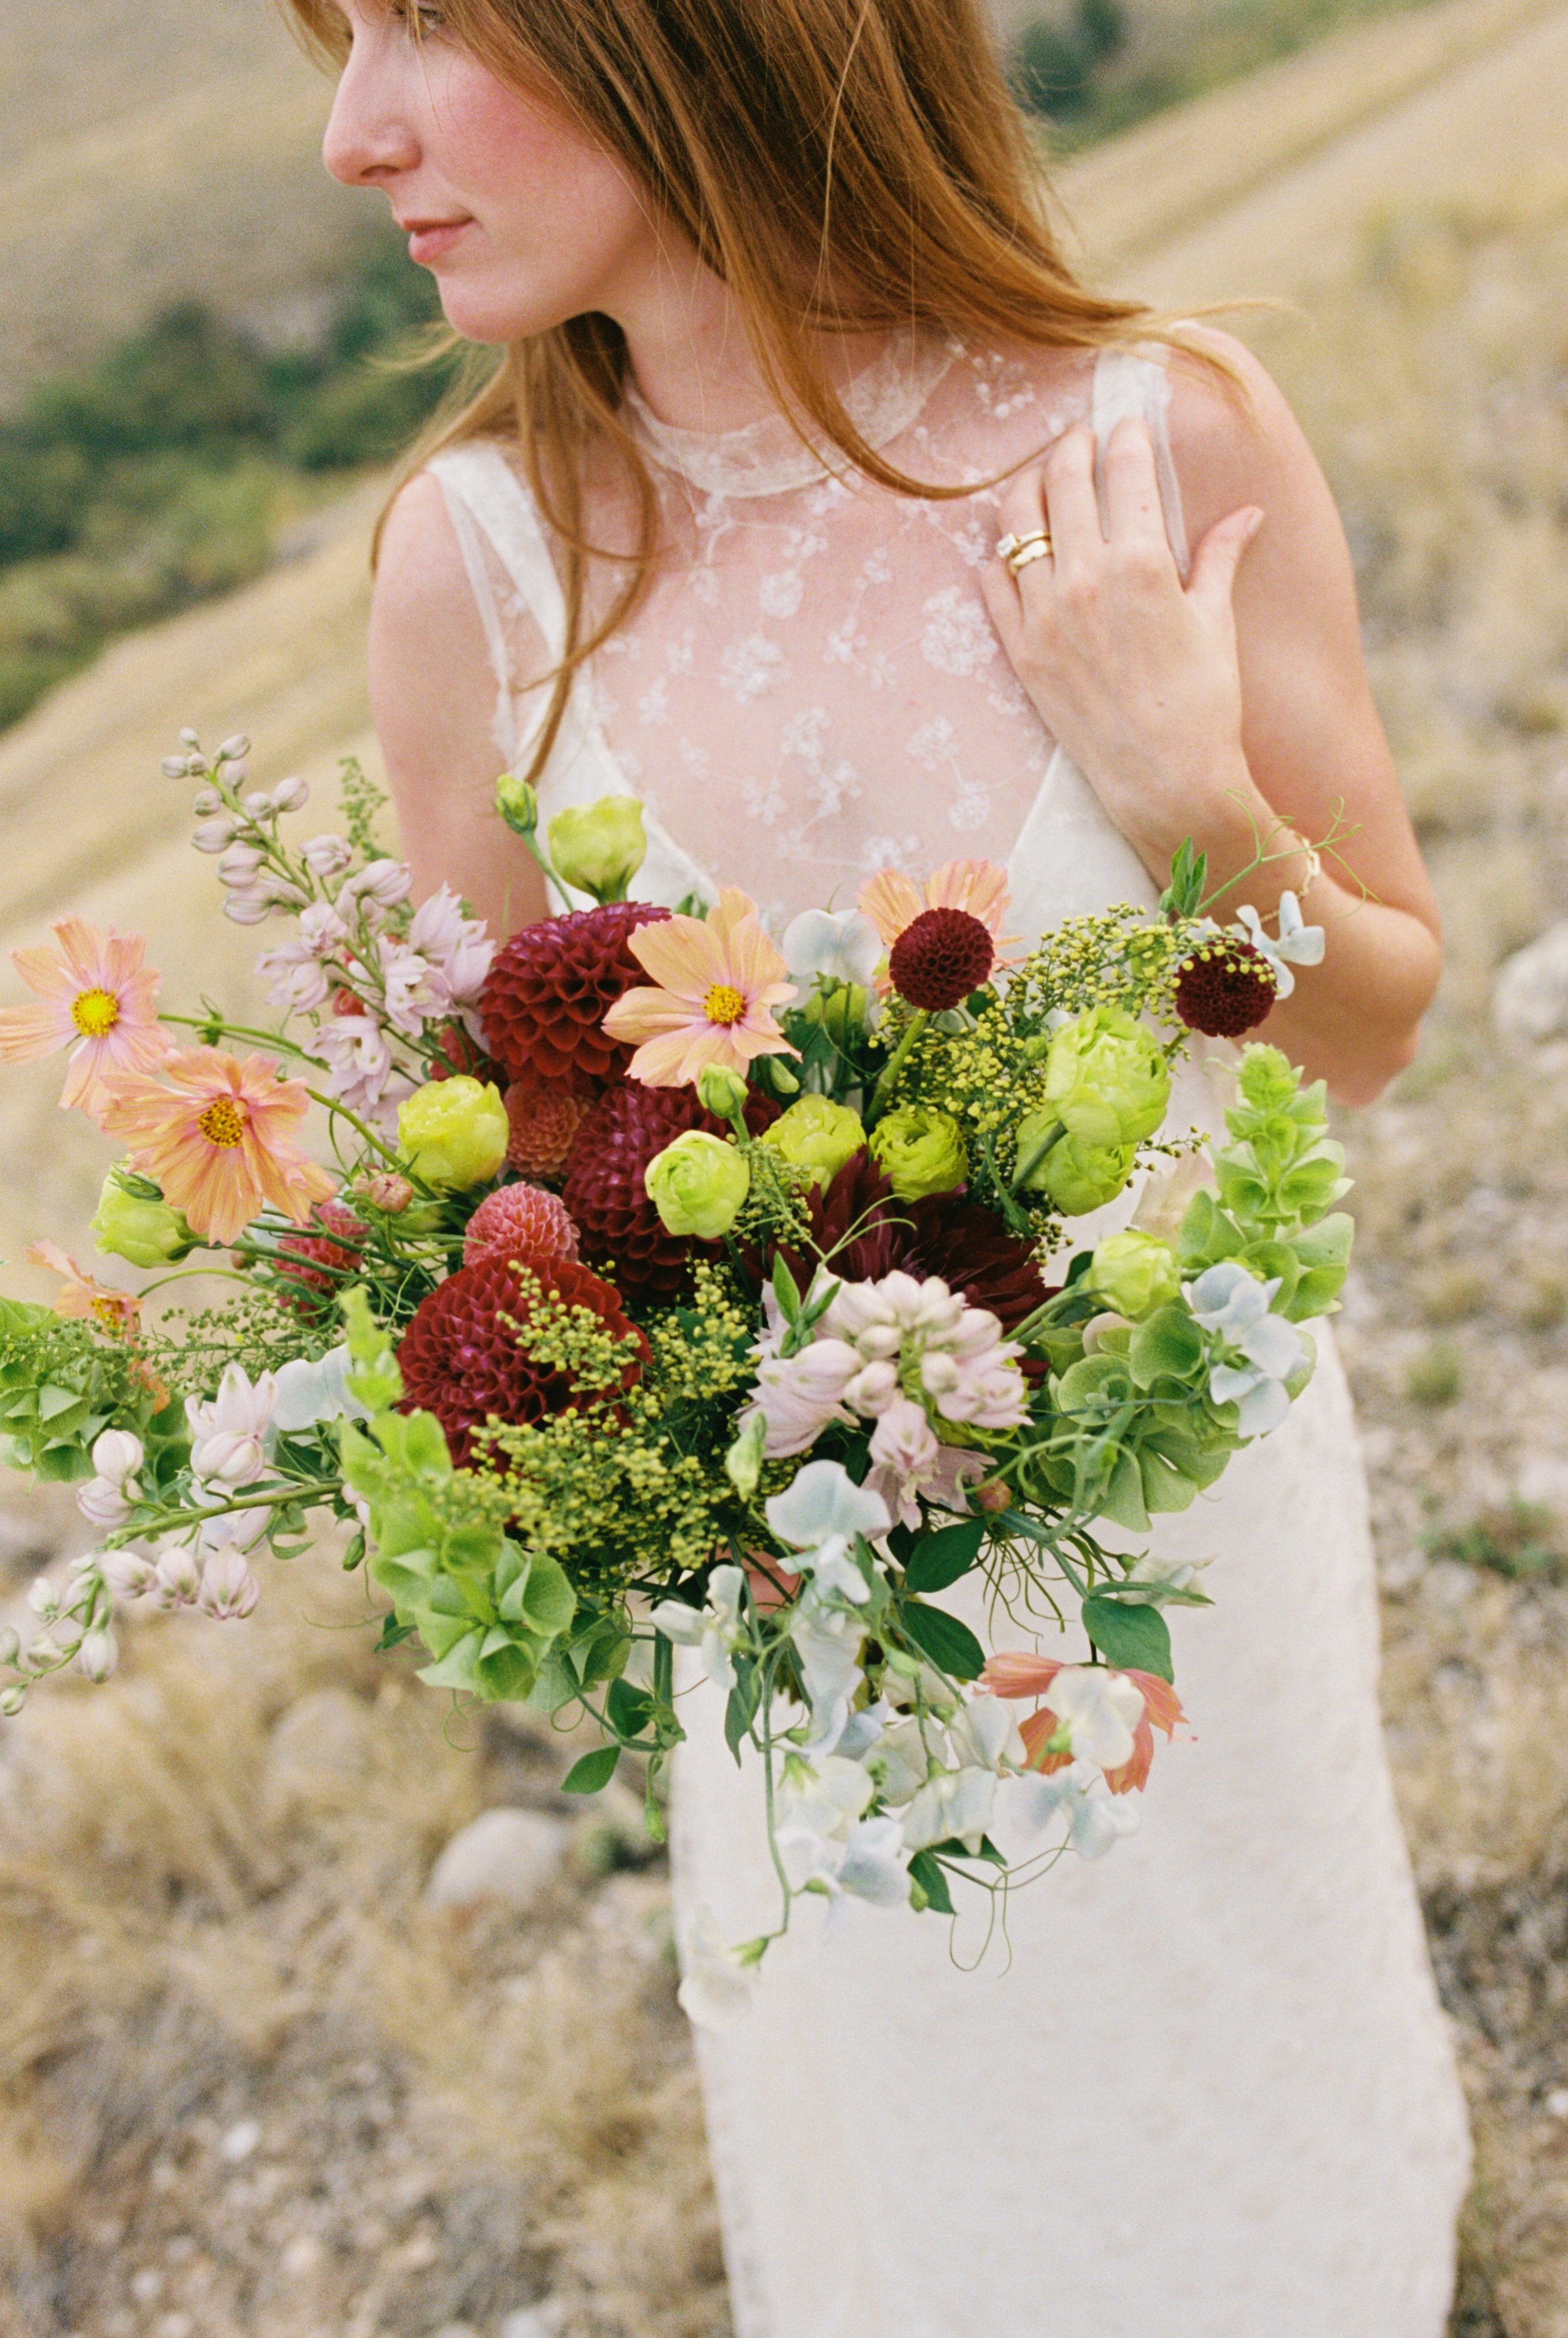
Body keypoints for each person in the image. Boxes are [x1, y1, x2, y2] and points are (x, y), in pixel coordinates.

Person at [292, 1, 1472, 2329]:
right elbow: (499, 1193)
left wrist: (1190, 805)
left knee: (1251, 2125)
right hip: (809, 1627)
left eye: (417, 22)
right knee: (942, 2177)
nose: (354, 135)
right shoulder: (476, 566)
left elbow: (1376, 1025)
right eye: (335, 46)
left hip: (1182, 1549)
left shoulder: (1157, 436)